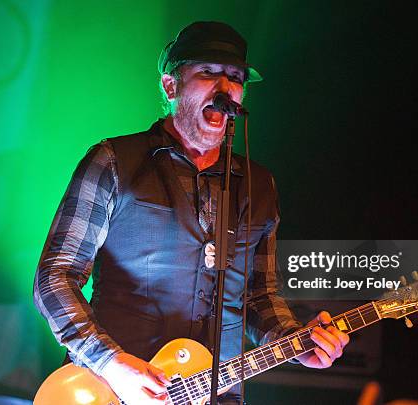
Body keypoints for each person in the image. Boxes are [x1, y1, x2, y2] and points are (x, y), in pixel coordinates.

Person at [34, 21, 349, 404]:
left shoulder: (259, 184)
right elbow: (55, 276)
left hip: (220, 394)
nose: (225, 88)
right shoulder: (116, 162)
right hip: (117, 391)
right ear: (171, 86)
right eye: (208, 73)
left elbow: (257, 297)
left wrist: (295, 340)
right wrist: (110, 363)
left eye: (234, 77)